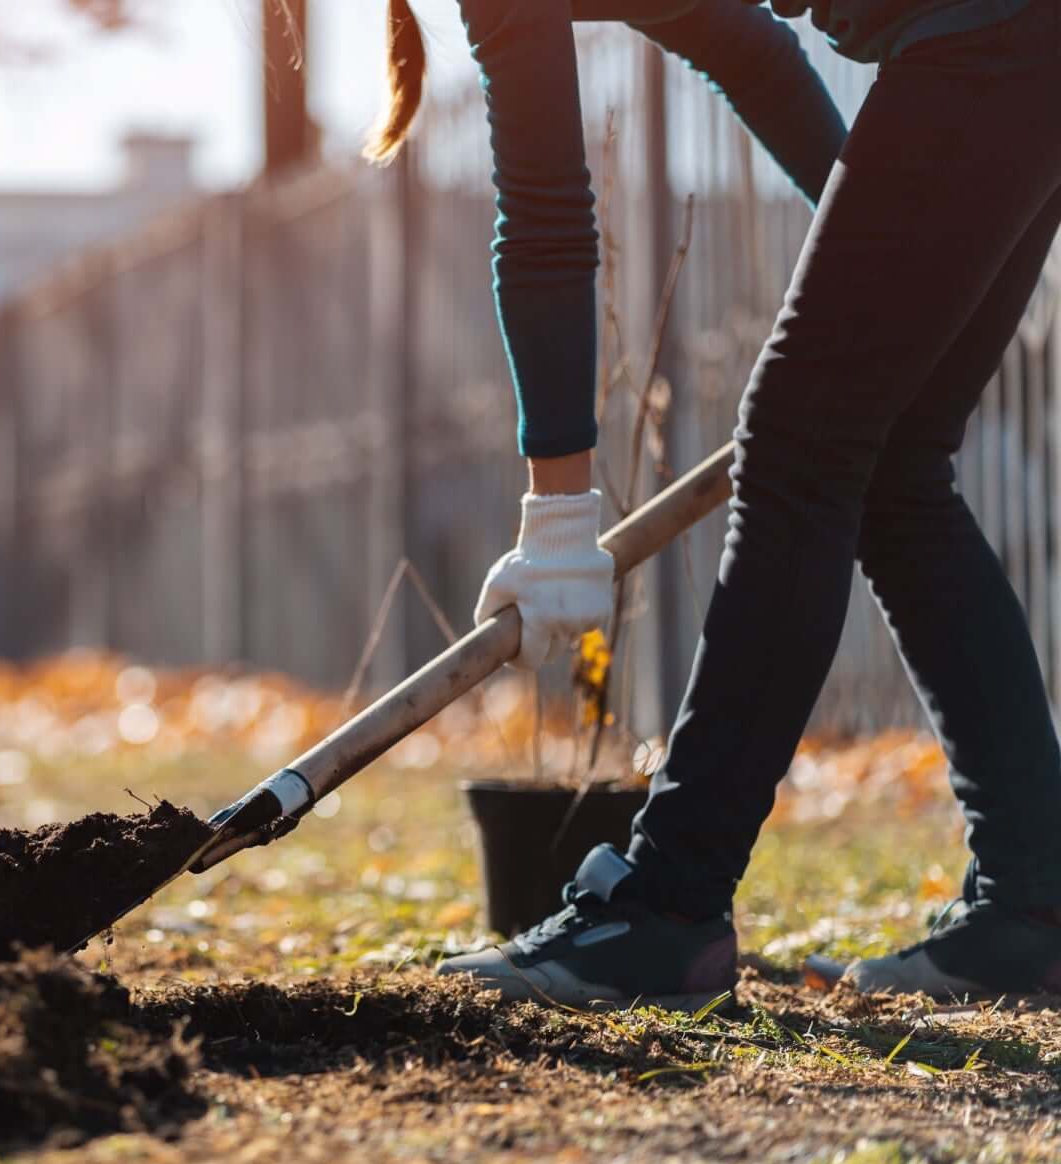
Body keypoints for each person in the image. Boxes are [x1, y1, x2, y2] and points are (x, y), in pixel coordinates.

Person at [362, 0, 1061, 1003]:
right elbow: (750, 51)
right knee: (892, 466)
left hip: (986, 37)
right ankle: (1032, 906)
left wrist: (558, 515)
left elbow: (547, 214)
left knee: (799, 447)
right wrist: (918, 256)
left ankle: (668, 904)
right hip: (1008, 41)